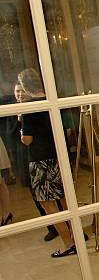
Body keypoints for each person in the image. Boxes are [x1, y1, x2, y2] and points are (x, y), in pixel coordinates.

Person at [18, 68, 77, 257]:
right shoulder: (53, 100)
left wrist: (21, 129)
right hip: (60, 155)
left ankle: (69, 243)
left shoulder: (29, 108)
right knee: (65, 198)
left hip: (40, 159)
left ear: (26, 87)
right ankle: (77, 236)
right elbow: (68, 130)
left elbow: (27, 140)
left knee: (47, 203)